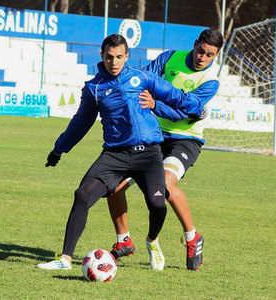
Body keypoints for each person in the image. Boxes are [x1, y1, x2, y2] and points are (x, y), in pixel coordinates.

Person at [37, 34, 205, 271]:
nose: (113, 62)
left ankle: (152, 241)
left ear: (127, 56)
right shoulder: (94, 88)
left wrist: (199, 109)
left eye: (118, 57)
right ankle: (65, 259)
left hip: (148, 154)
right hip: (115, 155)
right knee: (83, 195)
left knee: (157, 204)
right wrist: (58, 149)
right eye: (109, 57)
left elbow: (173, 95)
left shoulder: (142, 78)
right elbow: (80, 123)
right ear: (102, 56)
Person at [107, 28, 224, 271]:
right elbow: (141, 78)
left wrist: (155, 104)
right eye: (201, 51)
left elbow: (187, 113)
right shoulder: (170, 57)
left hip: (185, 139)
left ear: (216, 56)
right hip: (152, 135)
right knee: (114, 186)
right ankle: (124, 240)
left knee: (166, 186)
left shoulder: (210, 81)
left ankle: (192, 237)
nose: (202, 57)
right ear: (195, 44)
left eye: (209, 55)